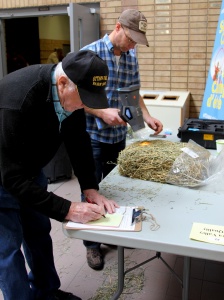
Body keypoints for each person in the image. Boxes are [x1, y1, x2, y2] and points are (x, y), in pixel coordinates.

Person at [0, 50, 119, 300]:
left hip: (30, 170)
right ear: (62, 82)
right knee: (8, 249)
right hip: (4, 175)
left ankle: (47, 292)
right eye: (82, 98)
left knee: (39, 233)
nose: (84, 105)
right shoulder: (18, 100)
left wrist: (90, 188)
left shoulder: (70, 96)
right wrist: (67, 209)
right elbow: (10, 178)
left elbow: (78, 141)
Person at [81, 9, 163, 270]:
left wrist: (147, 116)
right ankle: (92, 245)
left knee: (116, 188)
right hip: (93, 136)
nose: (132, 45)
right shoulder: (90, 54)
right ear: (117, 27)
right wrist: (100, 112)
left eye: (137, 41)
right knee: (92, 190)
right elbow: (72, 98)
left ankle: (114, 231)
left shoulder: (130, 57)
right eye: (131, 38)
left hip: (118, 137)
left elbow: (134, 93)